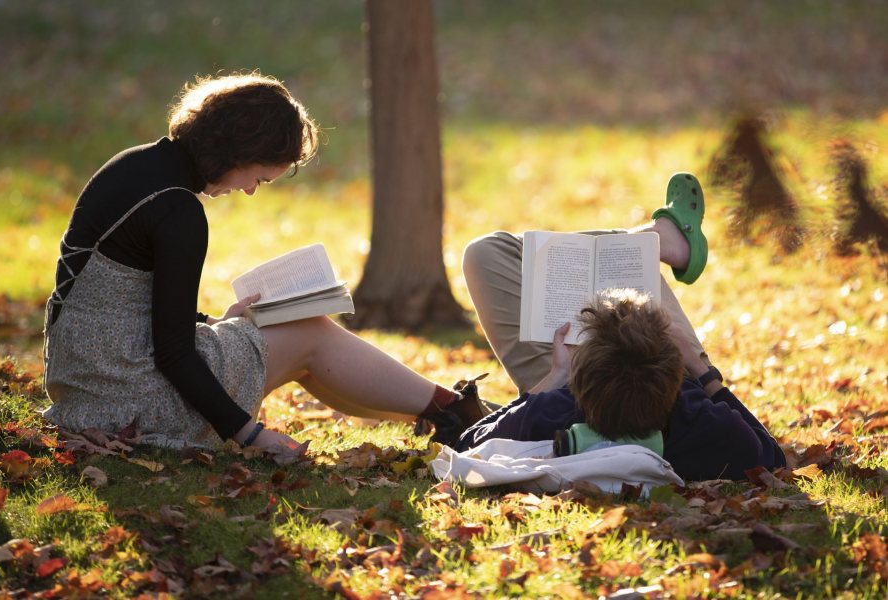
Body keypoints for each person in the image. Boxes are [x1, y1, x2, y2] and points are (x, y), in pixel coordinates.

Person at [42, 72, 487, 451]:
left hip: (85, 381)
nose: (253, 190)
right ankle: (457, 413)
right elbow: (174, 353)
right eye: (259, 176)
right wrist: (249, 434)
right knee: (309, 333)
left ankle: (446, 415)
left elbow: (126, 302)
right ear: (238, 151)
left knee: (294, 338)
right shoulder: (178, 211)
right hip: (126, 397)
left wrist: (216, 322)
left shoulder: (135, 164)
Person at [451, 174, 786, 481]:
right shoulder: (695, 416)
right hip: (649, 391)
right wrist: (700, 369)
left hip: (584, 392)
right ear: (673, 371)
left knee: (484, 252)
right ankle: (656, 240)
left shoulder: (554, 410)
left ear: (579, 380)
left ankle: (656, 239)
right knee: (634, 285)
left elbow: (469, 443)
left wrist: (555, 376)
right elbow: (771, 458)